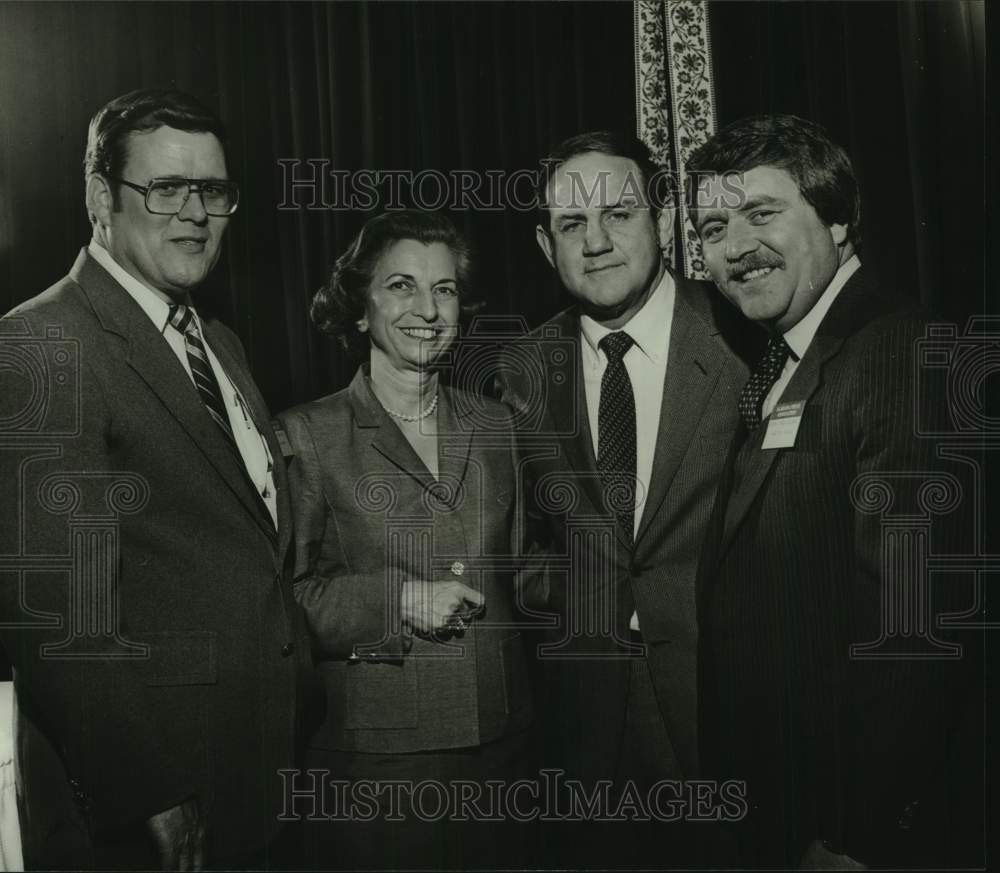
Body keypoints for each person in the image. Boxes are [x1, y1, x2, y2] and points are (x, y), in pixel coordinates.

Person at [0, 89, 304, 870]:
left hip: (253, 776)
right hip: (155, 804)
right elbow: (62, 617)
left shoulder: (221, 341)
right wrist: (146, 792)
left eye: (214, 191)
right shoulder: (43, 343)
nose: (195, 213)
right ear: (101, 197)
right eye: (166, 189)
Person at [688, 114, 982, 868]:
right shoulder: (781, 361)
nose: (735, 246)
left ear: (841, 218)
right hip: (785, 812)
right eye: (714, 226)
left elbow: (912, 628)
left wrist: (858, 833)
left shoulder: (901, 352)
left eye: (762, 212)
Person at [495, 131, 760, 867]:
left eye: (619, 213)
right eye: (572, 225)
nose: (598, 241)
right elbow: (516, 549)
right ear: (547, 247)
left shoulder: (748, 339)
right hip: (581, 728)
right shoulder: (519, 373)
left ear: (666, 220)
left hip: (731, 710)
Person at [277, 210, 536, 871]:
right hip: (377, 774)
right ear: (360, 309)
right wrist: (398, 601)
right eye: (401, 285)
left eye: (444, 289)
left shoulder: (499, 425)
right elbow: (288, 598)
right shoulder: (307, 434)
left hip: (504, 758)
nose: (427, 309)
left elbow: (524, 570)